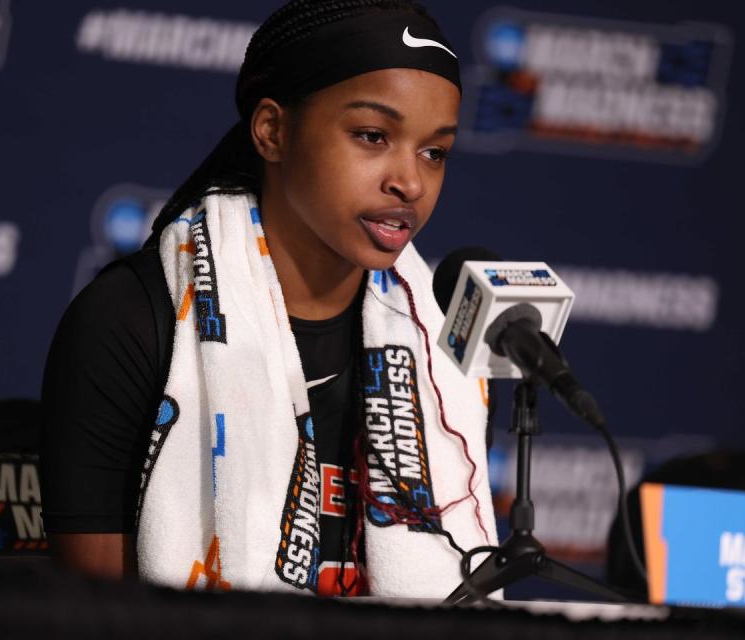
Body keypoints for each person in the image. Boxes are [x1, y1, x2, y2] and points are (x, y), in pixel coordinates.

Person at [41, 0, 497, 598]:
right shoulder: (129, 321)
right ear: (273, 131)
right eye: (372, 135)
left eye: (434, 151)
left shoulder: (439, 360)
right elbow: (90, 617)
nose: (409, 182)